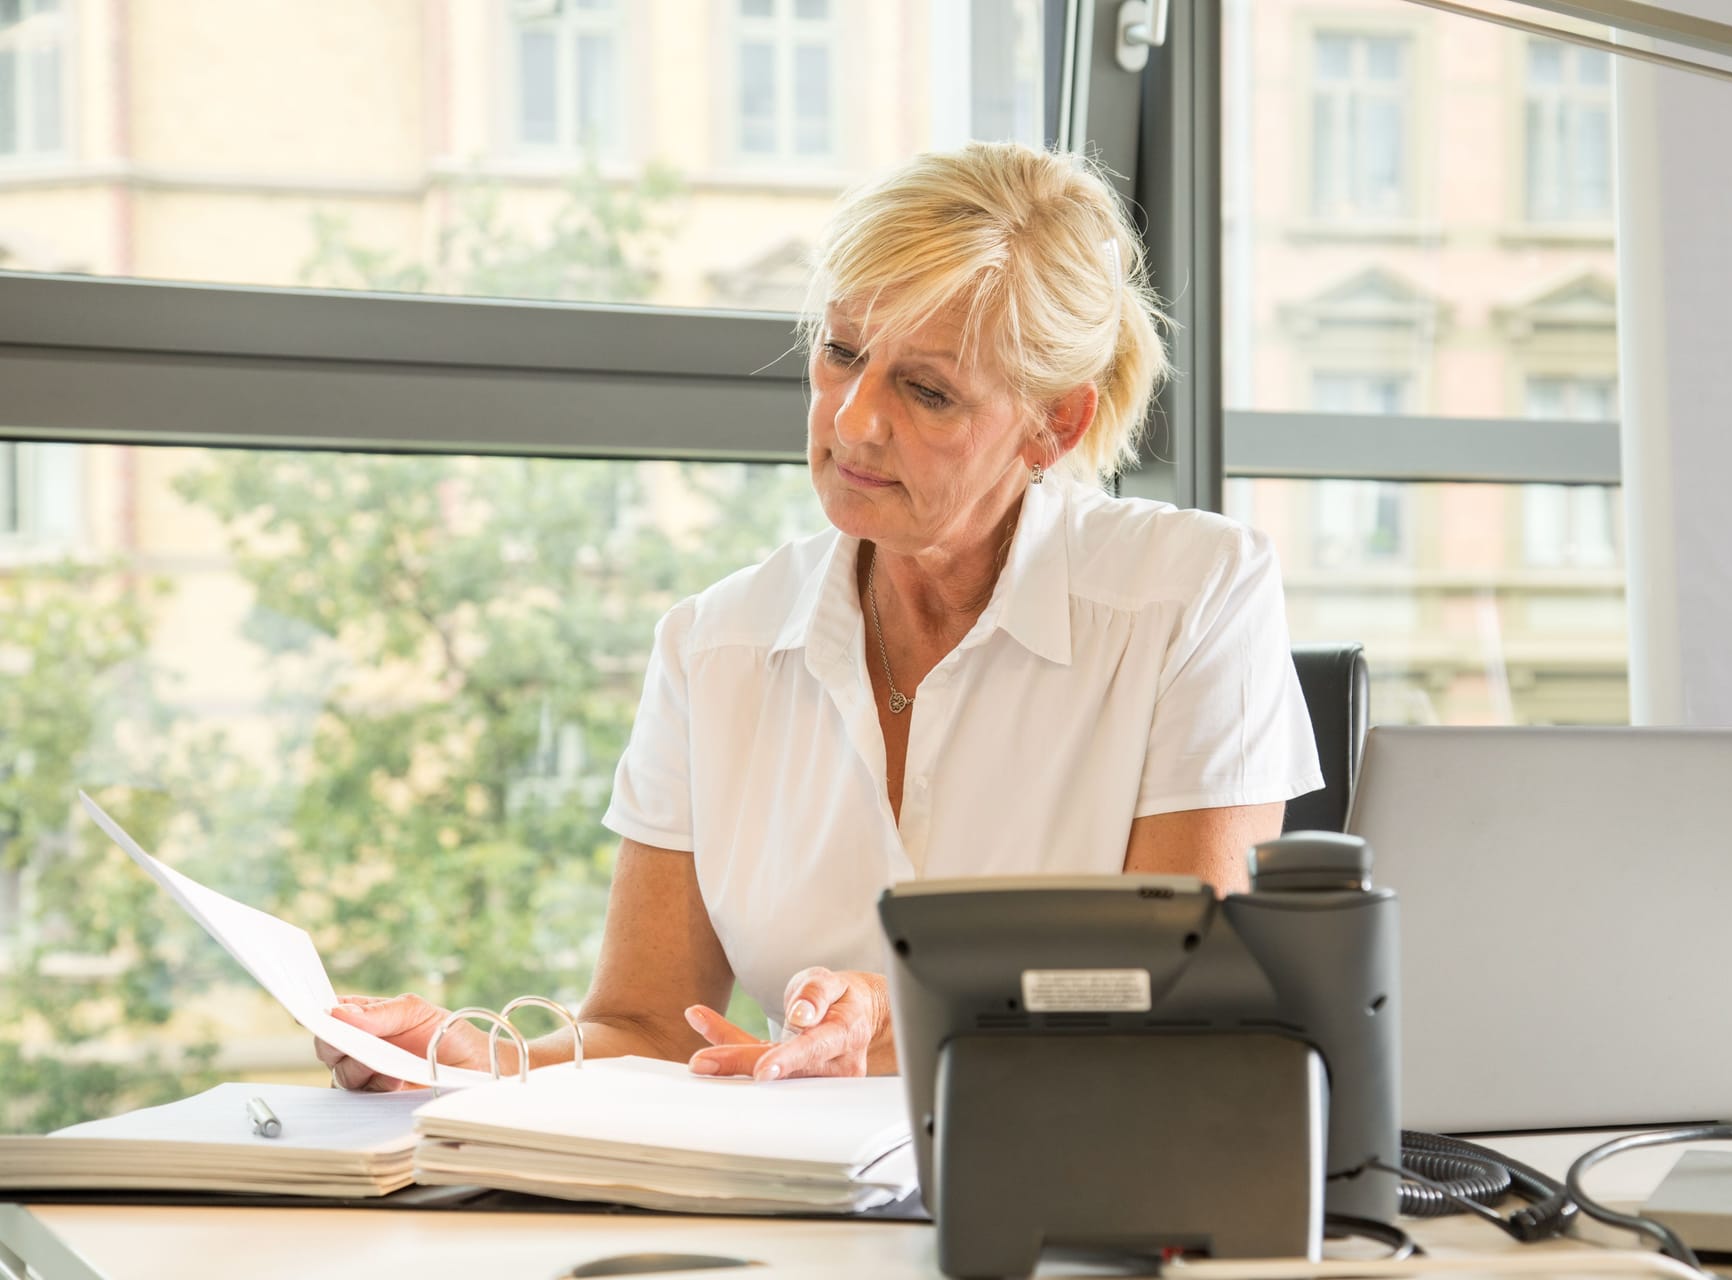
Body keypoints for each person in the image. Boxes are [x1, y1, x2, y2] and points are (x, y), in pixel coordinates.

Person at [319, 141, 1322, 1090]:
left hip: (1081, 1201)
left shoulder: (1192, 595)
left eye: (927, 390)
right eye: (843, 351)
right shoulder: (714, 646)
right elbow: (649, 1027)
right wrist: (462, 1055)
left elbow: (1183, 1004)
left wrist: (915, 1013)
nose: (853, 420)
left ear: (1053, 421)